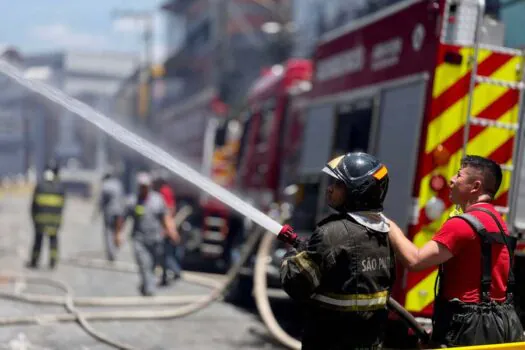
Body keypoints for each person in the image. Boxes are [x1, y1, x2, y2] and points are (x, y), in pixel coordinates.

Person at [387, 155, 524, 347]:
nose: (451, 179)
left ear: (475, 187)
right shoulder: (498, 223)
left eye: (459, 175)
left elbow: (415, 260)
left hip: (468, 330)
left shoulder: (461, 224)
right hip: (494, 327)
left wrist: (386, 224)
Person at [277, 152, 395, 350]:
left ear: (359, 190)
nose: (329, 189)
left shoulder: (331, 233)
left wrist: (291, 256)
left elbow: (296, 284)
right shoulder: (382, 234)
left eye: (339, 184)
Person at [123, 172, 179, 296]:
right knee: (144, 263)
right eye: (141, 186)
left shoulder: (158, 200)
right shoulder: (133, 201)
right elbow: (123, 218)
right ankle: (149, 289)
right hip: (139, 239)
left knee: (153, 264)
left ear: (150, 186)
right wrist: (117, 234)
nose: (143, 188)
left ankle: (147, 283)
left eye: (145, 186)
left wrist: (171, 231)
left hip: (155, 239)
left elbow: (165, 217)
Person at [28, 160, 65, 269]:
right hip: (54, 221)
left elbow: (33, 206)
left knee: (38, 241)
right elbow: (62, 206)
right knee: (53, 240)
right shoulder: (59, 187)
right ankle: (53, 261)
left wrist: (34, 219)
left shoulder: (40, 186)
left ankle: (34, 261)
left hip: (40, 220)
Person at [152, 171, 183, 286]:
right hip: (166, 226)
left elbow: (169, 210)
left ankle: (175, 272)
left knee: (164, 254)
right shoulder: (165, 191)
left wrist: (167, 229)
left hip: (166, 227)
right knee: (164, 253)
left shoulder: (164, 192)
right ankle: (166, 275)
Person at [96, 170, 125, 261]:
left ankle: (111, 253)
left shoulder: (105, 186)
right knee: (117, 230)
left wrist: (97, 212)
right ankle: (116, 249)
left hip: (109, 212)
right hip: (120, 211)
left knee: (108, 232)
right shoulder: (118, 184)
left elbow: (101, 201)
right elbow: (122, 197)